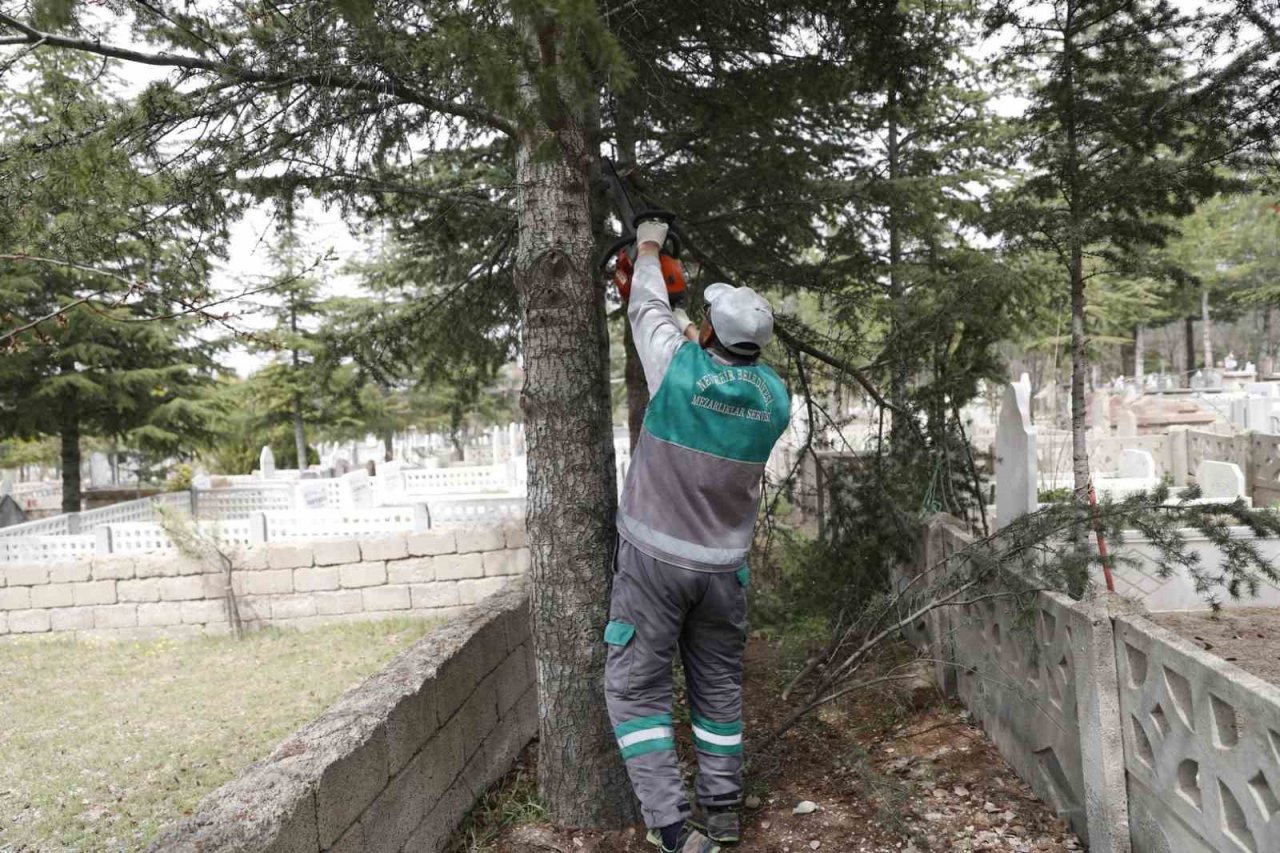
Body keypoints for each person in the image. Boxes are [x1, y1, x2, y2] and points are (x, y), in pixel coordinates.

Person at [605, 219, 791, 853]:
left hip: (655, 563)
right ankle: (723, 811)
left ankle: (671, 826)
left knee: (635, 688)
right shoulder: (775, 397)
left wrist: (649, 247)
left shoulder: (678, 369)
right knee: (716, 689)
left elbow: (648, 308)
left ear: (711, 332)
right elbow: (707, 357)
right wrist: (696, 332)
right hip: (724, 572)